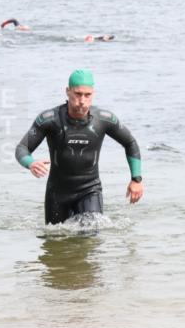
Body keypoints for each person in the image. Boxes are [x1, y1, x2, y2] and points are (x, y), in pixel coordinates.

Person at [15, 69, 144, 224]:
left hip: (90, 190)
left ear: (93, 94)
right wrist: (30, 163)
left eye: (87, 95)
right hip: (57, 193)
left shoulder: (104, 119)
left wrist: (136, 179)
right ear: (68, 91)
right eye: (78, 94)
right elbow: (22, 148)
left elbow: (130, 143)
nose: (82, 100)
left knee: (90, 239)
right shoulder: (49, 119)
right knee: (56, 241)